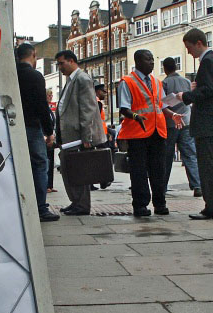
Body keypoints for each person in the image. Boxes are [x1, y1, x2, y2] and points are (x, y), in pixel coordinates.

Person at [178, 28, 213, 219]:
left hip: (208, 123)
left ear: (199, 43)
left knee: (208, 166)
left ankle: (212, 208)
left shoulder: (208, 61)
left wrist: (186, 95)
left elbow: (209, 90)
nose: (189, 52)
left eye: (189, 48)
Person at [54, 50, 106, 215]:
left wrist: (86, 136)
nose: (60, 67)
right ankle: (76, 201)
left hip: (77, 136)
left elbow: (88, 109)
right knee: (69, 168)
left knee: (78, 170)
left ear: (71, 61)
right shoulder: (71, 80)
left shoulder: (82, 79)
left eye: (61, 63)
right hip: (69, 135)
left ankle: (82, 205)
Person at [118, 50, 169, 216]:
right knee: (139, 172)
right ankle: (140, 205)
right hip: (137, 134)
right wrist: (135, 116)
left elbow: (162, 105)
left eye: (153, 59)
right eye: (148, 59)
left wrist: (173, 115)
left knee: (158, 170)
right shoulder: (127, 82)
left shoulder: (156, 82)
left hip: (157, 131)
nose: (152, 62)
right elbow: (124, 108)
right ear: (138, 61)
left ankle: (160, 204)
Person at [15, 43, 59, 222]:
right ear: (33, 55)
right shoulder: (35, 76)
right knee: (40, 164)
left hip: (12, 125)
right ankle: (40, 208)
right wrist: (49, 132)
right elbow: (42, 105)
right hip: (32, 127)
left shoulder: (11, 74)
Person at [161, 57, 202, 198]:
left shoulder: (164, 83)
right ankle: (197, 185)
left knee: (166, 156)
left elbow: (162, 104)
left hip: (170, 123)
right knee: (190, 154)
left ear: (165, 69)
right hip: (186, 121)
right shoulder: (186, 81)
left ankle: (162, 186)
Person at [46, 89, 58, 193]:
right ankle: (46, 185)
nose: (51, 97)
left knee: (51, 162)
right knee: (46, 162)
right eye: (49, 95)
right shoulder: (44, 109)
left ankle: (50, 185)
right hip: (45, 139)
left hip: (51, 139)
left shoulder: (50, 110)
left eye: (52, 95)